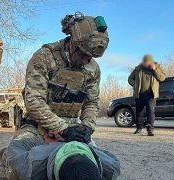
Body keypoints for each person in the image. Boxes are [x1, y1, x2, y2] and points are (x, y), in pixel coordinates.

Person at [10, 13, 109, 146]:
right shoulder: (45, 57)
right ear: (74, 44)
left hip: (72, 130)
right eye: (83, 54)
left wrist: (87, 127)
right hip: (38, 127)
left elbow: (91, 103)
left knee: (100, 160)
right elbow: (34, 100)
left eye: (91, 57)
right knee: (18, 151)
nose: (87, 60)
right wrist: (62, 129)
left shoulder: (93, 69)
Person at [0, 126, 120, 180]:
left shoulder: (110, 168)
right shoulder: (32, 168)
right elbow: (14, 149)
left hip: (68, 136)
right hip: (41, 129)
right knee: (12, 163)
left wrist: (85, 128)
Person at [128, 54, 166, 136]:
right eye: (145, 62)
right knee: (139, 111)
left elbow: (162, 78)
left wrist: (155, 70)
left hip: (151, 94)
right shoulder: (138, 69)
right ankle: (139, 128)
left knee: (150, 111)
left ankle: (150, 129)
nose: (146, 64)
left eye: (148, 62)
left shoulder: (157, 67)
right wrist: (135, 85)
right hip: (139, 93)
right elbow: (130, 79)